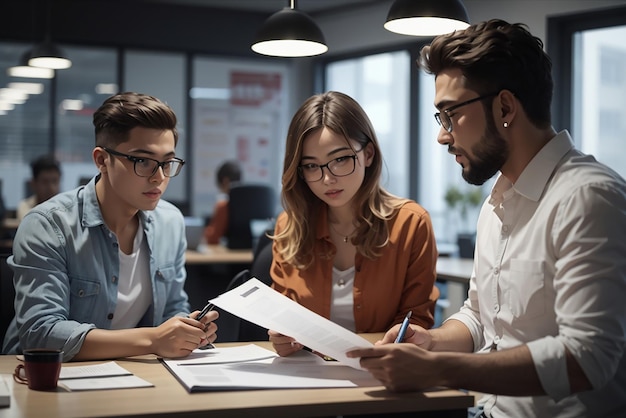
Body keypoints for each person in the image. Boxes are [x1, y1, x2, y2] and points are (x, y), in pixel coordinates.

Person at [347, 19, 626, 417]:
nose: (443, 136)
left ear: (505, 107)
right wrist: (433, 344)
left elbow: (587, 358)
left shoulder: (587, 198)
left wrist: (438, 369)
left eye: (450, 114)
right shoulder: (498, 200)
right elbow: (480, 317)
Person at [3, 92, 219, 361]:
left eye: (167, 162)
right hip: (47, 379)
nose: (160, 177)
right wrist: (154, 339)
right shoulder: (48, 225)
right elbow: (41, 333)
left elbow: (172, 308)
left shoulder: (170, 222)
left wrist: (188, 328)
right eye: (143, 161)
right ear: (102, 160)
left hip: (134, 371)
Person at [269, 91, 439, 357]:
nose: (327, 179)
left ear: (368, 154)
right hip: (306, 375)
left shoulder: (411, 224)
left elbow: (416, 319)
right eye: (312, 166)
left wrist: (403, 338)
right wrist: (280, 336)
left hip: (382, 373)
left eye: (340, 160)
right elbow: (280, 316)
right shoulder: (290, 226)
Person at [203, 160, 242, 245]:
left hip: (229, 254)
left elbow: (213, 238)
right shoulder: (249, 204)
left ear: (225, 181)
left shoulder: (224, 205)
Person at [16, 154, 62, 221]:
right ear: (34, 184)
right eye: (45, 182)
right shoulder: (25, 206)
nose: (51, 188)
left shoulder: (66, 207)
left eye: (55, 181)